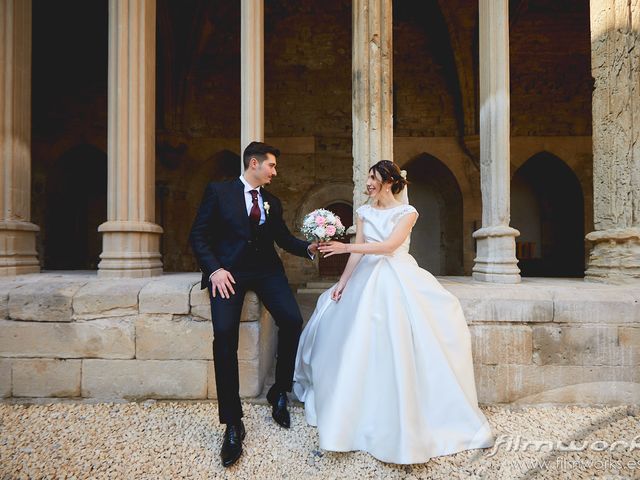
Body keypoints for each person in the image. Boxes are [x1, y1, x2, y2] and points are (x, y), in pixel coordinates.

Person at [293, 160, 494, 464]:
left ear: (388, 181)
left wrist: (346, 248)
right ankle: (353, 413)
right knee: (349, 337)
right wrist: (343, 283)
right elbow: (359, 251)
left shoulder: (407, 213)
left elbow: (389, 246)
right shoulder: (362, 212)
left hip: (398, 277)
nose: (368, 183)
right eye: (368, 178)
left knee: (403, 337)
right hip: (364, 280)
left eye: (373, 178)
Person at [190, 141, 318, 468]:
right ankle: (233, 423)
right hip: (228, 272)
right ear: (254, 164)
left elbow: (284, 239)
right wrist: (214, 269)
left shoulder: (271, 201)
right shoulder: (219, 192)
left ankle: (280, 392)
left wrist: (310, 248)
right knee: (224, 336)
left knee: (291, 321)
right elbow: (198, 236)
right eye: (271, 166)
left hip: (266, 272)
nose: (275, 172)